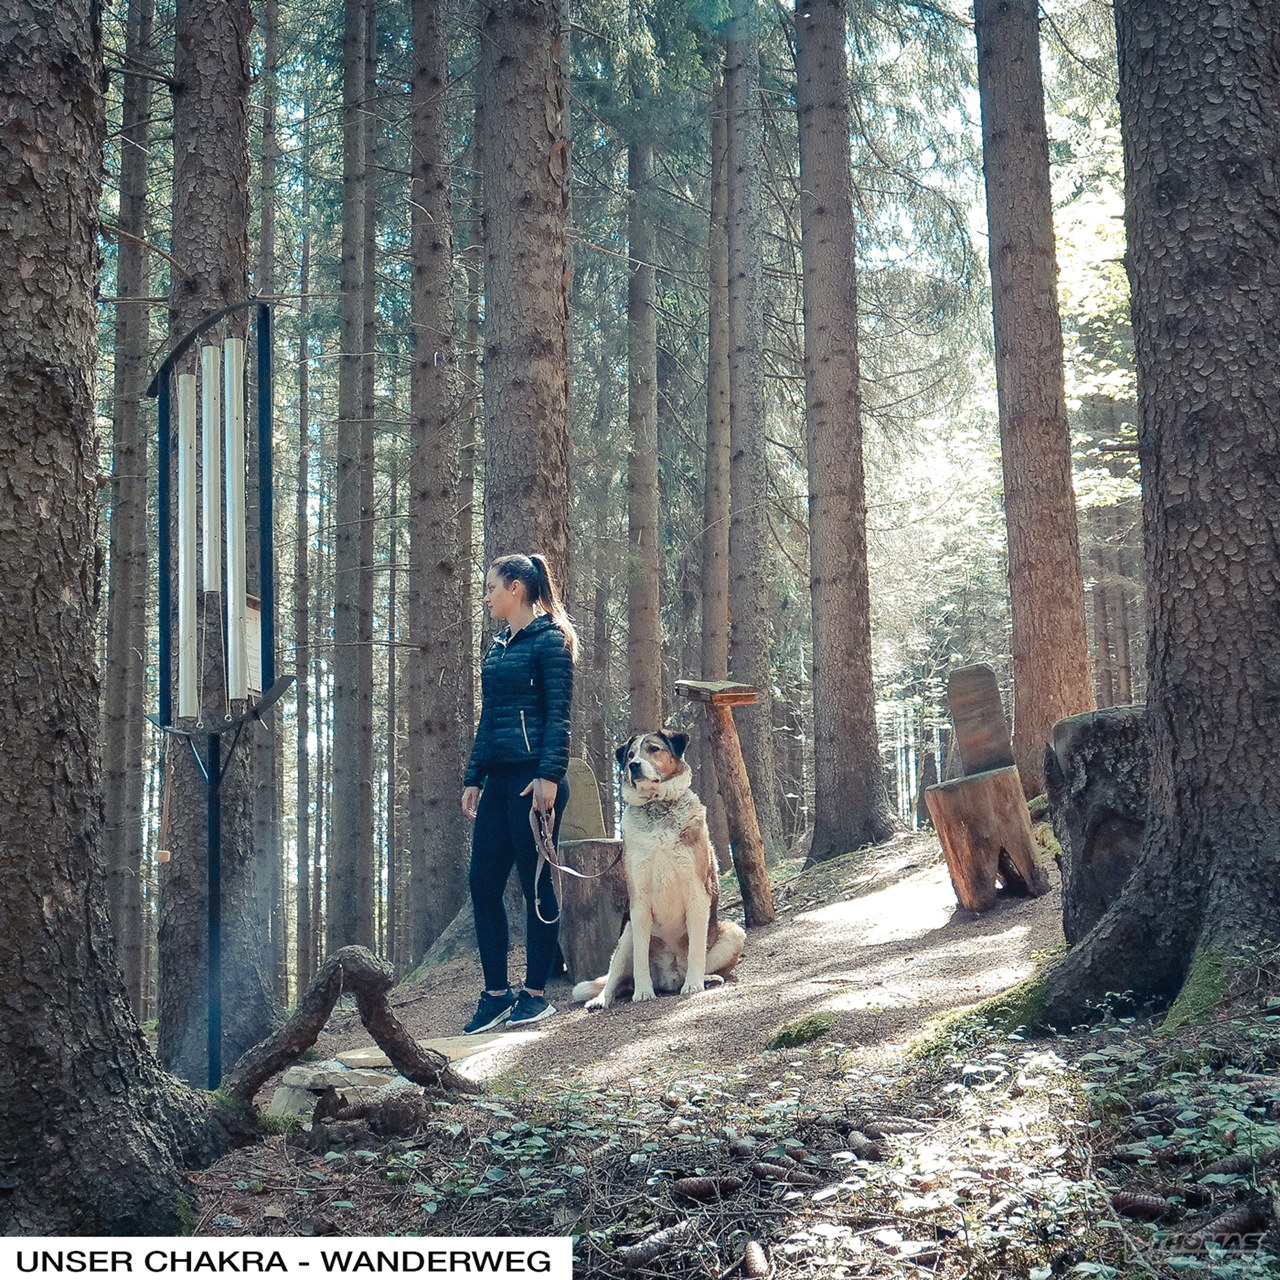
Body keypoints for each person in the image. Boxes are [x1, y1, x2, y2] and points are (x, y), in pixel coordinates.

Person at [460, 552, 577, 1033]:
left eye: (491, 588)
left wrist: (549, 776)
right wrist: (474, 775)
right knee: (482, 886)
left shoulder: (551, 642)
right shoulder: (498, 648)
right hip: (499, 781)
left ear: (516, 589)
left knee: (535, 886)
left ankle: (535, 994)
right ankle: (495, 995)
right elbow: (490, 720)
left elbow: (559, 715)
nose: (486, 597)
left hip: (535, 781)